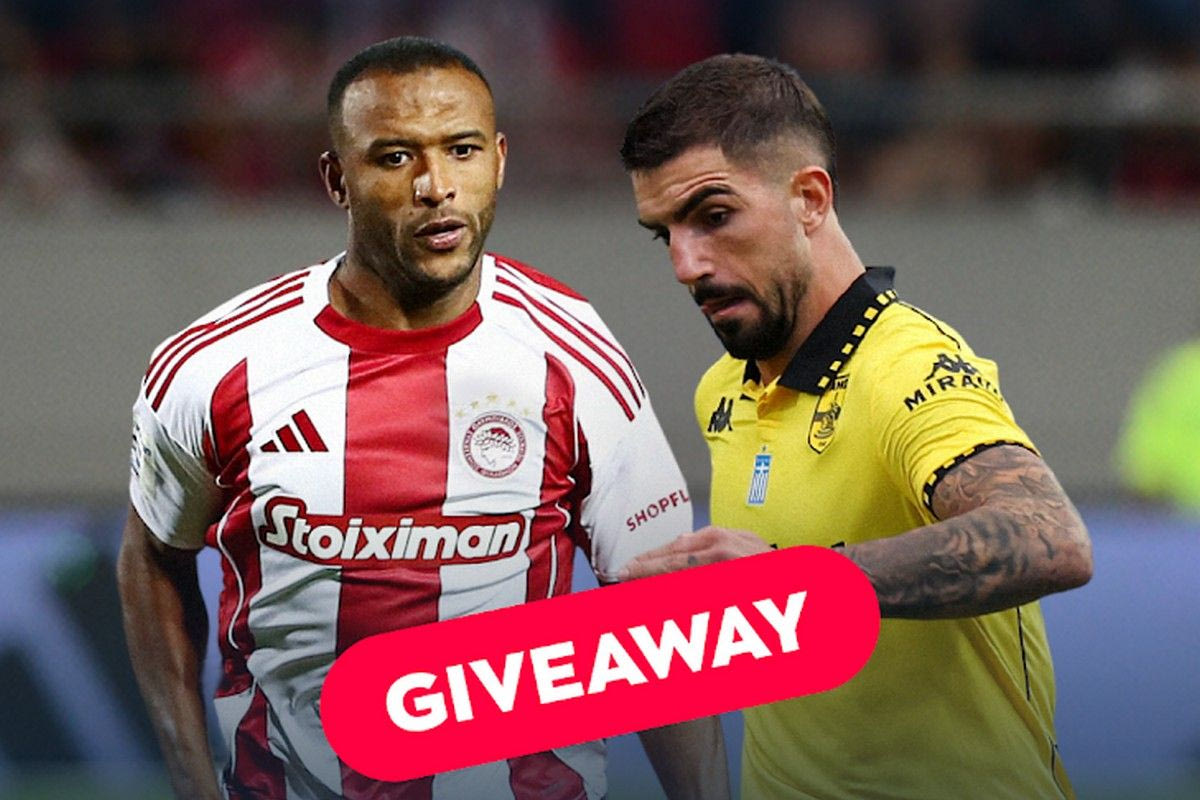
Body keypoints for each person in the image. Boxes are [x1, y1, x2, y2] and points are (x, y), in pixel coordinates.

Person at [117, 36, 728, 800]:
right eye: (396, 157)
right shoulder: (216, 364)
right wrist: (193, 784)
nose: (437, 187)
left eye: (461, 150)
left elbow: (658, 606)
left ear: (498, 161)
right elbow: (153, 557)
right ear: (337, 180)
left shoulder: (573, 355)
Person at [619, 54, 1094, 800]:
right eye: (665, 234)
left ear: (809, 199)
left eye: (713, 217)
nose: (686, 264)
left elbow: (1049, 538)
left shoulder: (904, 364)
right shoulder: (724, 390)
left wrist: (794, 585)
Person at [1114, 337, 1200, 513]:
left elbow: (1151, 431)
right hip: (1180, 507)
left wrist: (1143, 481)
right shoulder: (1183, 370)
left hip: (1179, 506)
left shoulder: (1181, 369)